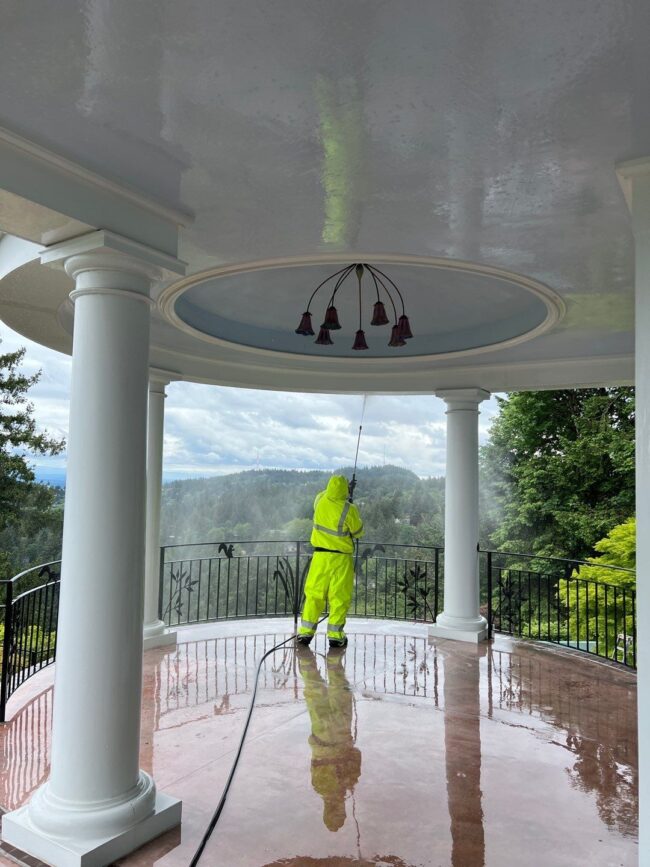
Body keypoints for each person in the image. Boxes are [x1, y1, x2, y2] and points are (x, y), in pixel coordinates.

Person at [297, 648, 361, 832]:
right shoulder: (319, 786)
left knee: (338, 689)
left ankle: (333, 659)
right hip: (322, 736)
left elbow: (356, 755)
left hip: (338, 734)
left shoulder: (348, 782)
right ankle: (306, 658)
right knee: (314, 690)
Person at [297, 474, 364, 648]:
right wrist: (349, 498)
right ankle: (335, 636)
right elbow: (358, 532)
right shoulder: (349, 509)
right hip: (341, 559)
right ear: (345, 489)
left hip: (320, 557)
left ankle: (305, 633)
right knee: (339, 597)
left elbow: (327, 494)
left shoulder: (319, 500)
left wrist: (343, 492)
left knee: (313, 595)